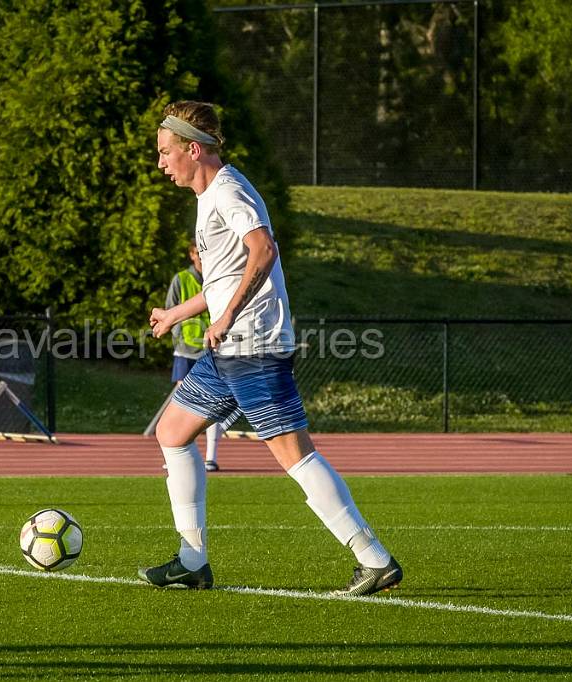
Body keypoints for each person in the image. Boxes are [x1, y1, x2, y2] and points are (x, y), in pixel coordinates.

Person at [140, 101, 402, 596]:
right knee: (173, 432)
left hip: (253, 344)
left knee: (292, 453)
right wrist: (179, 312)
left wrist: (227, 316)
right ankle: (192, 561)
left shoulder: (228, 190)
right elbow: (224, 277)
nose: (160, 163)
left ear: (192, 150)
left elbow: (263, 249)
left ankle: (373, 558)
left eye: (164, 152)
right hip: (230, 347)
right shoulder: (211, 195)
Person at [166, 242, 221, 472]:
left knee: (214, 403)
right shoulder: (181, 279)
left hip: (212, 348)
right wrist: (178, 337)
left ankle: (211, 456)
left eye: (203, 253)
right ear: (191, 255)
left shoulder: (218, 275)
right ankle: (179, 456)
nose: (200, 257)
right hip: (186, 349)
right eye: (197, 253)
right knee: (182, 402)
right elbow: (171, 308)